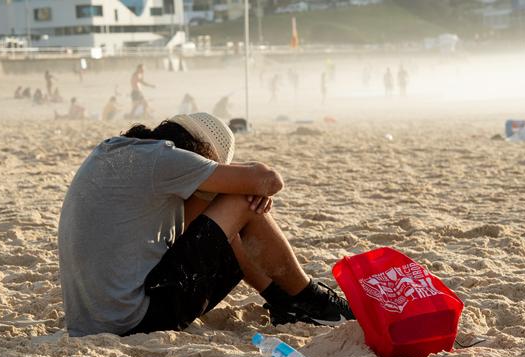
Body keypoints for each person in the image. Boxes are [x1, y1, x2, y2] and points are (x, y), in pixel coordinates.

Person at [58, 112, 354, 336]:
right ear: (198, 153)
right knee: (240, 201)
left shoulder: (118, 151)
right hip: (132, 320)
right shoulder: (165, 160)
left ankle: (284, 302)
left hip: (90, 322)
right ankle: (310, 300)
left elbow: (187, 233)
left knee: (229, 205)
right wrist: (239, 189)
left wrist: (221, 189)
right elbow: (269, 180)